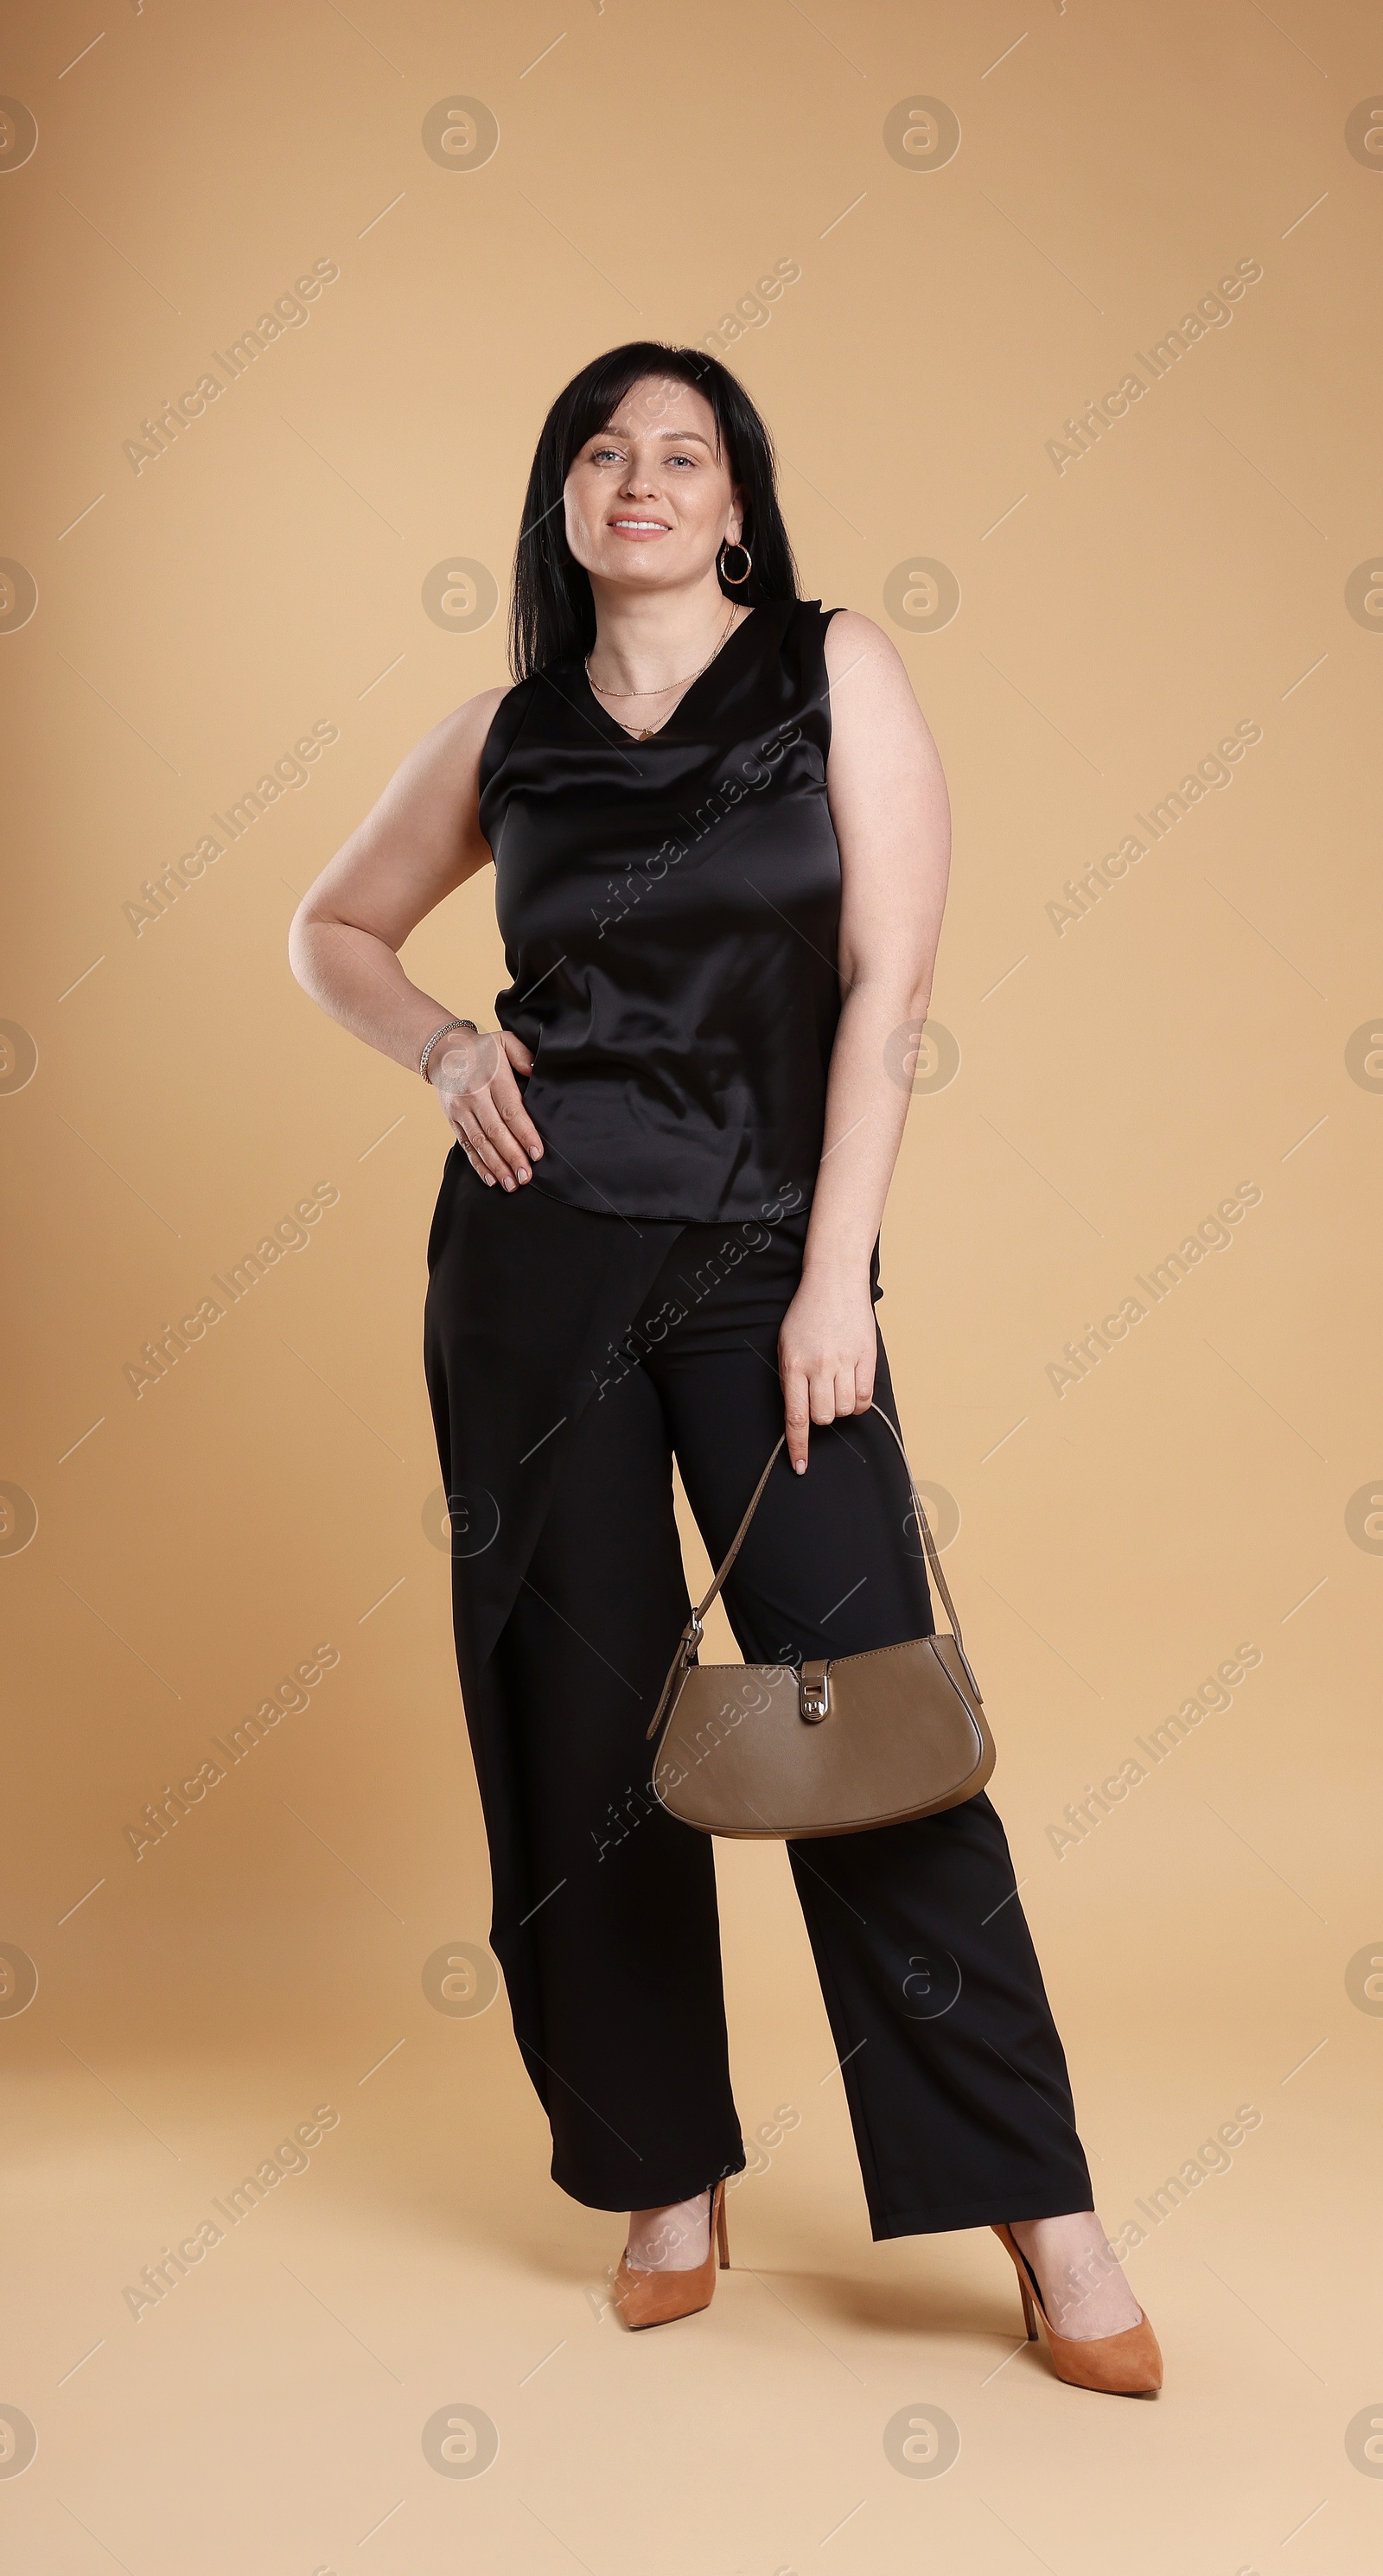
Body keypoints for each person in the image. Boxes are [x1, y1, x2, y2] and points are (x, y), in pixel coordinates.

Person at [288, 341, 1161, 2394]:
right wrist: (435, 1042)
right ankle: (662, 2169)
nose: (641, 478)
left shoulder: (831, 668)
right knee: (576, 1742)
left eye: (680, 453)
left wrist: (835, 1269)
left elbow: (889, 978)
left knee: (865, 1714)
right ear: (565, 505)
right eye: (604, 454)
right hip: (529, 1274)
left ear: (738, 505)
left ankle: (1039, 2204)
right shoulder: (503, 731)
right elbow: (328, 925)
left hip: (772, 1264)